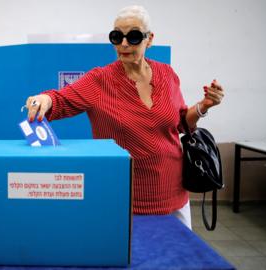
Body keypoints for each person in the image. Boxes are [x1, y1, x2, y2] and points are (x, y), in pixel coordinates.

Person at [25, 5, 224, 229]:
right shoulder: (100, 80)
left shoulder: (167, 74)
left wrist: (203, 106)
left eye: (134, 36)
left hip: (174, 192)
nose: (124, 44)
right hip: (126, 199)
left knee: (177, 259)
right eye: (117, 36)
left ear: (149, 39)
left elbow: (179, 124)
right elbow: (61, 100)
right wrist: (44, 99)